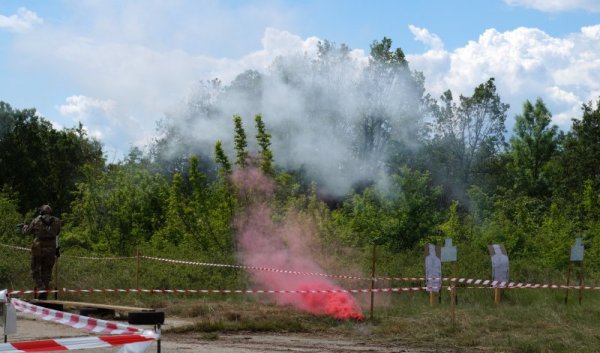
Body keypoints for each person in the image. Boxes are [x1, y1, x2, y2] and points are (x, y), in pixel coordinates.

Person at [22, 205, 61, 300]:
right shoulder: (57, 221)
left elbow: (27, 232)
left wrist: (24, 226)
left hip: (38, 248)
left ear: (41, 212)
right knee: (47, 272)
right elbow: (57, 233)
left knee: (35, 270)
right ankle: (44, 294)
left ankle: (41, 287)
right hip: (51, 248)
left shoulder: (36, 220)